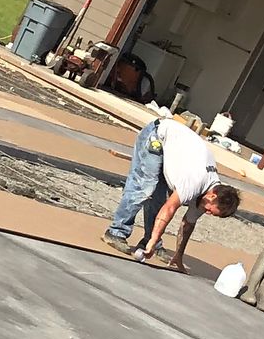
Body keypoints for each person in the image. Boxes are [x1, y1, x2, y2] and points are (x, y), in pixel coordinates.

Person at [103, 113, 241, 265]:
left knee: (157, 199)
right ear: (212, 196)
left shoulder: (209, 194)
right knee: (144, 187)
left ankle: (151, 241)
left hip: (174, 150)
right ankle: (116, 232)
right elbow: (169, 209)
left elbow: (187, 224)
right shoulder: (195, 181)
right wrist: (155, 240)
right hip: (157, 135)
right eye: (210, 210)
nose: (207, 213)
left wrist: (178, 255)